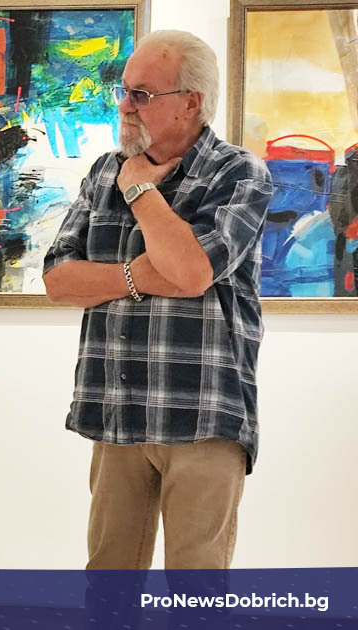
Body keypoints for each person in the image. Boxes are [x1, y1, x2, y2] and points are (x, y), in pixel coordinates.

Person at [42, 29, 272, 628]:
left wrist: (140, 189)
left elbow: (193, 272)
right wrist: (139, 274)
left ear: (190, 101)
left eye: (141, 93)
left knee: (196, 592)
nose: (125, 105)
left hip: (201, 414)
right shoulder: (103, 171)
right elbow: (59, 280)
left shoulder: (238, 173)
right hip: (116, 411)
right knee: (107, 586)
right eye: (124, 91)